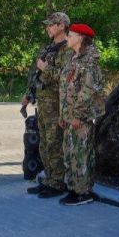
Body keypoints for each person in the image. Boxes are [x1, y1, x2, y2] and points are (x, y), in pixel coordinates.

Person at [25, 12, 74, 198]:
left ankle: (58, 182)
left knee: (55, 143)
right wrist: (28, 94)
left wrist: (46, 68)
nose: (48, 28)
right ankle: (49, 179)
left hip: (56, 103)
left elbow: (66, 77)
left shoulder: (68, 49)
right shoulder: (47, 49)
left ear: (62, 26)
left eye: (51, 25)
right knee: (44, 143)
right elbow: (35, 74)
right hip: (43, 102)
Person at [58, 22, 105, 206]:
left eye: (70, 35)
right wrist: (63, 115)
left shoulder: (90, 62)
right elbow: (65, 89)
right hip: (70, 117)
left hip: (81, 118)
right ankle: (73, 189)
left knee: (81, 155)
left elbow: (88, 91)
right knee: (70, 152)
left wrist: (77, 115)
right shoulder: (74, 59)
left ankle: (84, 192)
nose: (67, 38)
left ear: (80, 38)